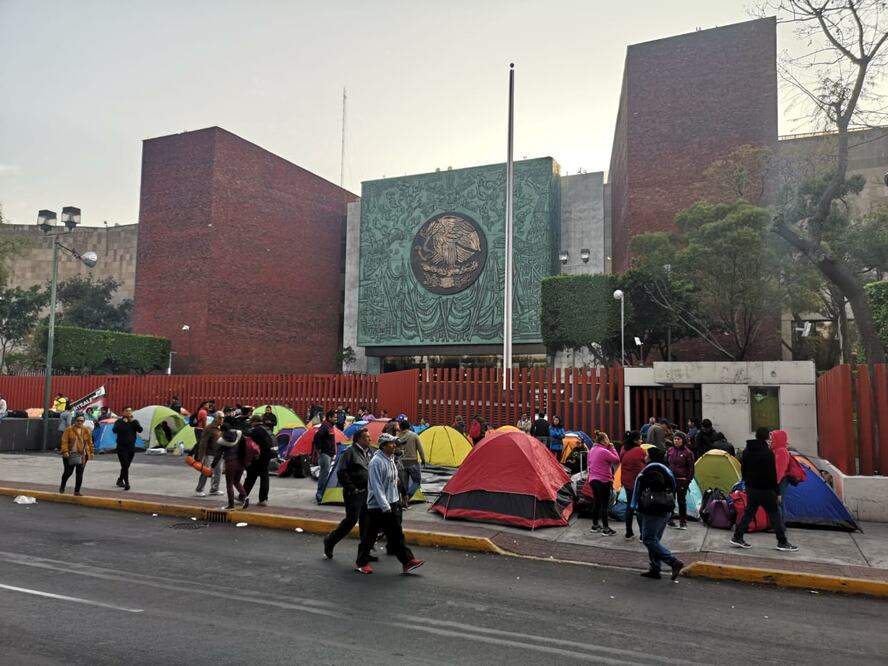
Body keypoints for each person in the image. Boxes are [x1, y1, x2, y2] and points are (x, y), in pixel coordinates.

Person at [354, 434, 424, 575]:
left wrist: (401, 495)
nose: (395, 446)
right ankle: (361, 563)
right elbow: (376, 487)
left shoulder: (391, 459)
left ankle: (407, 561)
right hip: (378, 506)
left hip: (392, 502)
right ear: (383, 445)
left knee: (395, 534)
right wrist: (385, 507)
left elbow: (395, 480)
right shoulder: (376, 462)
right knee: (372, 535)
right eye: (391, 444)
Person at [731, 427, 799, 552]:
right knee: (775, 515)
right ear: (767, 437)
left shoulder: (747, 450)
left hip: (751, 487)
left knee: (749, 512)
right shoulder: (768, 454)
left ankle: (737, 536)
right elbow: (772, 475)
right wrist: (777, 491)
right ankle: (782, 542)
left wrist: (746, 481)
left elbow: (743, 468)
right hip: (765, 489)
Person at [632, 447, 684, 581]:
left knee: (648, 539)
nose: (645, 457)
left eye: (647, 455)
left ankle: (673, 562)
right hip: (663, 508)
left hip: (653, 509)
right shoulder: (666, 469)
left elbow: (655, 484)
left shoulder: (654, 469)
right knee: (654, 540)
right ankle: (655, 569)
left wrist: (644, 479)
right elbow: (671, 487)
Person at [323, 428, 374, 560]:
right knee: (351, 520)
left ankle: (365, 552)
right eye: (367, 437)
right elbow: (341, 472)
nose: (370, 439)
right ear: (359, 439)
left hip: (367, 492)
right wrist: (352, 488)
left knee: (366, 522)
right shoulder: (350, 452)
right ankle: (330, 540)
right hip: (355, 493)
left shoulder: (368, 452)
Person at [586, 431, 620, 536]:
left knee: (596, 503)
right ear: (603, 440)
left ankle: (595, 525)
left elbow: (588, 464)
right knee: (604, 505)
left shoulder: (592, 450)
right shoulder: (604, 451)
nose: (609, 441)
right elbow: (617, 460)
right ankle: (606, 529)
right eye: (607, 439)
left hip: (593, 480)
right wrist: (612, 448)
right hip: (603, 480)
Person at [213, 426, 249, 510]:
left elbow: (218, 455)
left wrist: (212, 466)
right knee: (237, 482)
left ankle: (231, 505)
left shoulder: (223, 441)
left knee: (229, 484)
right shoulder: (240, 436)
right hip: (241, 463)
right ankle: (245, 497)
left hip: (230, 463)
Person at [620, 430, 647, 540]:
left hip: (626, 482)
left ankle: (628, 532)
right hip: (637, 482)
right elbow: (645, 464)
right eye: (640, 438)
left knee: (630, 507)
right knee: (640, 508)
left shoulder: (623, 449)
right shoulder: (639, 451)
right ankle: (642, 534)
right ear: (636, 440)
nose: (641, 440)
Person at [243, 415, 275, 506]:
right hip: (267, 456)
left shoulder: (256, 431)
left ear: (255, 421)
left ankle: (242, 495)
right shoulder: (266, 428)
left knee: (250, 477)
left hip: (258, 458)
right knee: (264, 478)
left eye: (251, 422)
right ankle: (263, 499)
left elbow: (252, 446)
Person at [666, 432, 695, 529]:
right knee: (670, 500)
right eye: (675, 439)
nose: (676, 441)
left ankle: (683, 522)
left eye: (678, 439)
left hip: (682, 480)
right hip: (670, 479)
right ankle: (670, 520)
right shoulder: (670, 450)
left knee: (681, 501)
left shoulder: (688, 453)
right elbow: (666, 464)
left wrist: (688, 480)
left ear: (683, 440)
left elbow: (691, 468)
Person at [59, 413, 93, 496]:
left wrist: (91, 452)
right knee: (68, 472)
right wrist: (65, 451)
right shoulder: (69, 430)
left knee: (80, 473)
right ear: (75, 421)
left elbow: (89, 442)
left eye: (82, 421)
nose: (80, 422)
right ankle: (63, 485)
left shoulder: (86, 430)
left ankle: (77, 491)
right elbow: (64, 441)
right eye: (78, 420)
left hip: (82, 455)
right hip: (70, 454)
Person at [112, 406, 143, 491]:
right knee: (125, 465)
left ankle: (120, 480)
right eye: (127, 411)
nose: (129, 412)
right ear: (123, 413)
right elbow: (114, 430)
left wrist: (133, 422)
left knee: (126, 465)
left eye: (130, 411)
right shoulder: (119, 421)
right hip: (121, 447)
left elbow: (140, 430)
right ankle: (127, 483)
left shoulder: (134, 422)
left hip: (131, 447)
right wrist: (123, 423)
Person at [194, 412, 224, 497]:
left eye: (223, 418)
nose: (222, 419)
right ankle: (199, 489)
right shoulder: (208, 428)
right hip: (209, 454)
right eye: (220, 418)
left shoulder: (220, 428)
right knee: (206, 472)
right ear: (215, 418)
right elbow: (203, 443)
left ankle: (214, 489)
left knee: (218, 472)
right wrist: (200, 456)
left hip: (218, 454)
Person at [397, 419, 426, 499]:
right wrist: (423, 459)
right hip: (413, 462)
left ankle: (404, 501)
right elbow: (420, 449)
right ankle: (409, 496)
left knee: (404, 483)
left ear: (400, 427)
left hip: (401, 463)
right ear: (409, 426)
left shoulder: (397, 437)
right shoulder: (414, 435)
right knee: (416, 481)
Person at [314, 410, 337, 503]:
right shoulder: (325, 426)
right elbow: (317, 436)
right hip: (325, 454)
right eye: (334, 417)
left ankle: (323, 492)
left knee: (326, 473)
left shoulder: (330, 426)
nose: (336, 419)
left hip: (329, 454)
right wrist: (319, 449)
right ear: (330, 418)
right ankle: (319, 493)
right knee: (324, 474)